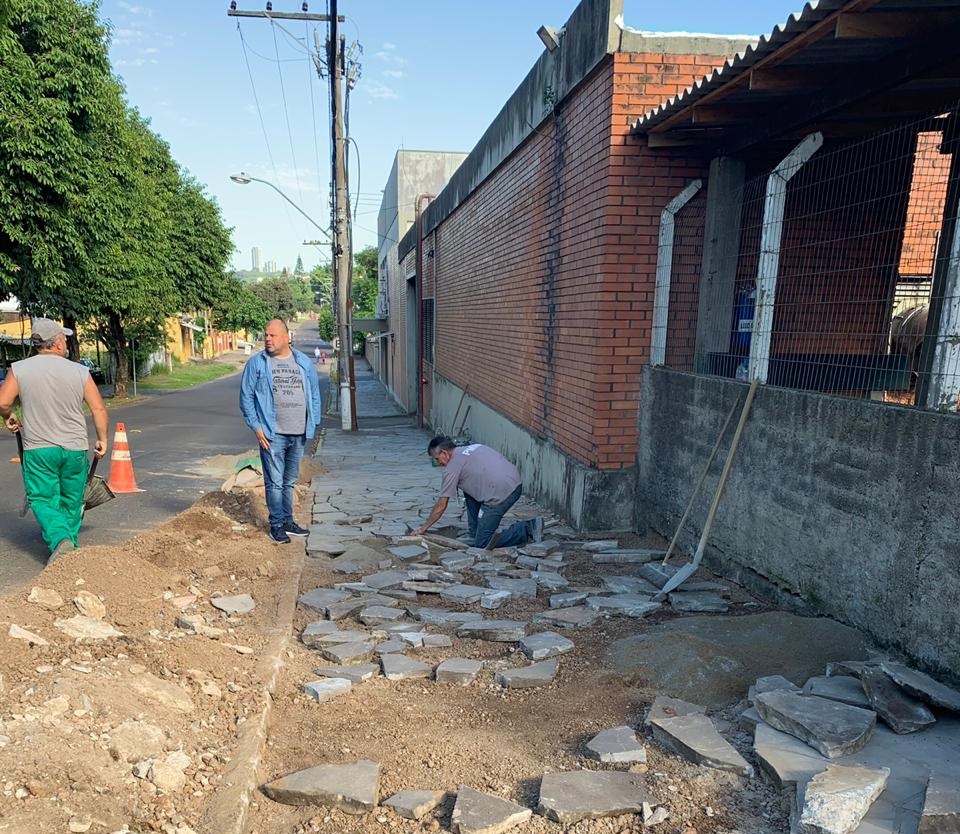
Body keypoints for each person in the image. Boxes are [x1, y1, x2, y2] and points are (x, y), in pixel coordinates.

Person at [0, 318, 109, 563]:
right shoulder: (80, 371)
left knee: (42, 498)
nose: (66, 341)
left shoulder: (19, 369)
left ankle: (61, 541)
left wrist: (8, 417)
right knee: (72, 498)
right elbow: (98, 409)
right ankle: (68, 544)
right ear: (58, 342)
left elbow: (3, 402)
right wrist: (102, 439)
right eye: (65, 338)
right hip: (75, 449)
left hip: (39, 449)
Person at [239, 319, 322, 544]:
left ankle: (287, 521)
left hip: (298, 433)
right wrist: (257, 427)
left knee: (289, 480)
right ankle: (276, 525)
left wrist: (312, 423)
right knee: (274, 481)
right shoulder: (257, 364)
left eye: (273, 335)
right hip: (272, 434)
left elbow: (314, 394)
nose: (268, 339)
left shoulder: (303, 362)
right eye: (266, 335)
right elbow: (246, 397)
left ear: (287, 337)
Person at [411, 435, 543, 549]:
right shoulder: (474, 447)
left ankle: (527, 528)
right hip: (515, 482)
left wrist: (424, 527)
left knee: (483, 543)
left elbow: (441, 504)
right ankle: (475, 533)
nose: (438, 463)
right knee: (467, 487)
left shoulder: (453, 467)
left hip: (500, 494)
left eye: (437, 459)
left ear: (445, 453)